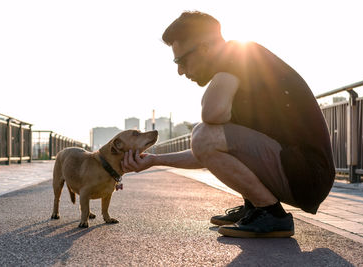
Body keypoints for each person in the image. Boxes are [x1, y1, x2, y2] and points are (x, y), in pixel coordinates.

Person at [121, 11, 335, 238]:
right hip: (297, 169)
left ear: (204, 48)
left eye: (181, 60)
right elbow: (206, 152)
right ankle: (256, 204)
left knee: (203, 134)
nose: (181, 71)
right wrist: (155, 160)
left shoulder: (241, 54)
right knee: (205, 137)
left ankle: (270, 213)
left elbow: (210, 118)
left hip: (307, 173)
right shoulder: (238, 76)